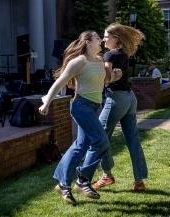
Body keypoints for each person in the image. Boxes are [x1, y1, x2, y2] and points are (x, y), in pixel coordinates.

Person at [39, 30, 122, 205]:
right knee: (101, 140)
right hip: (81, 105)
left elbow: (102, 81)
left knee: (80, 146)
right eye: (97, 38)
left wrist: (115, 76)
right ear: (88, 43)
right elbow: (60, 82)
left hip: (94, 107)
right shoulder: (79, 62)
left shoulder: (99, 60)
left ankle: (63, 184)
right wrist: (47, 102)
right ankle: (83, 180)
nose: (101, 40)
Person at [92, 23, 148, 191]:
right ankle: (139, 181)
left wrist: (98, 70)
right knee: (133, 140)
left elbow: (106, 79)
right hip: (130, 99)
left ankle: (107, 175)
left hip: (116, 99)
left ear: (116, 39)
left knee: (100, 135)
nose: (103, 39)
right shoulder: (124, 54)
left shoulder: (109, 55)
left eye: (106, 37)